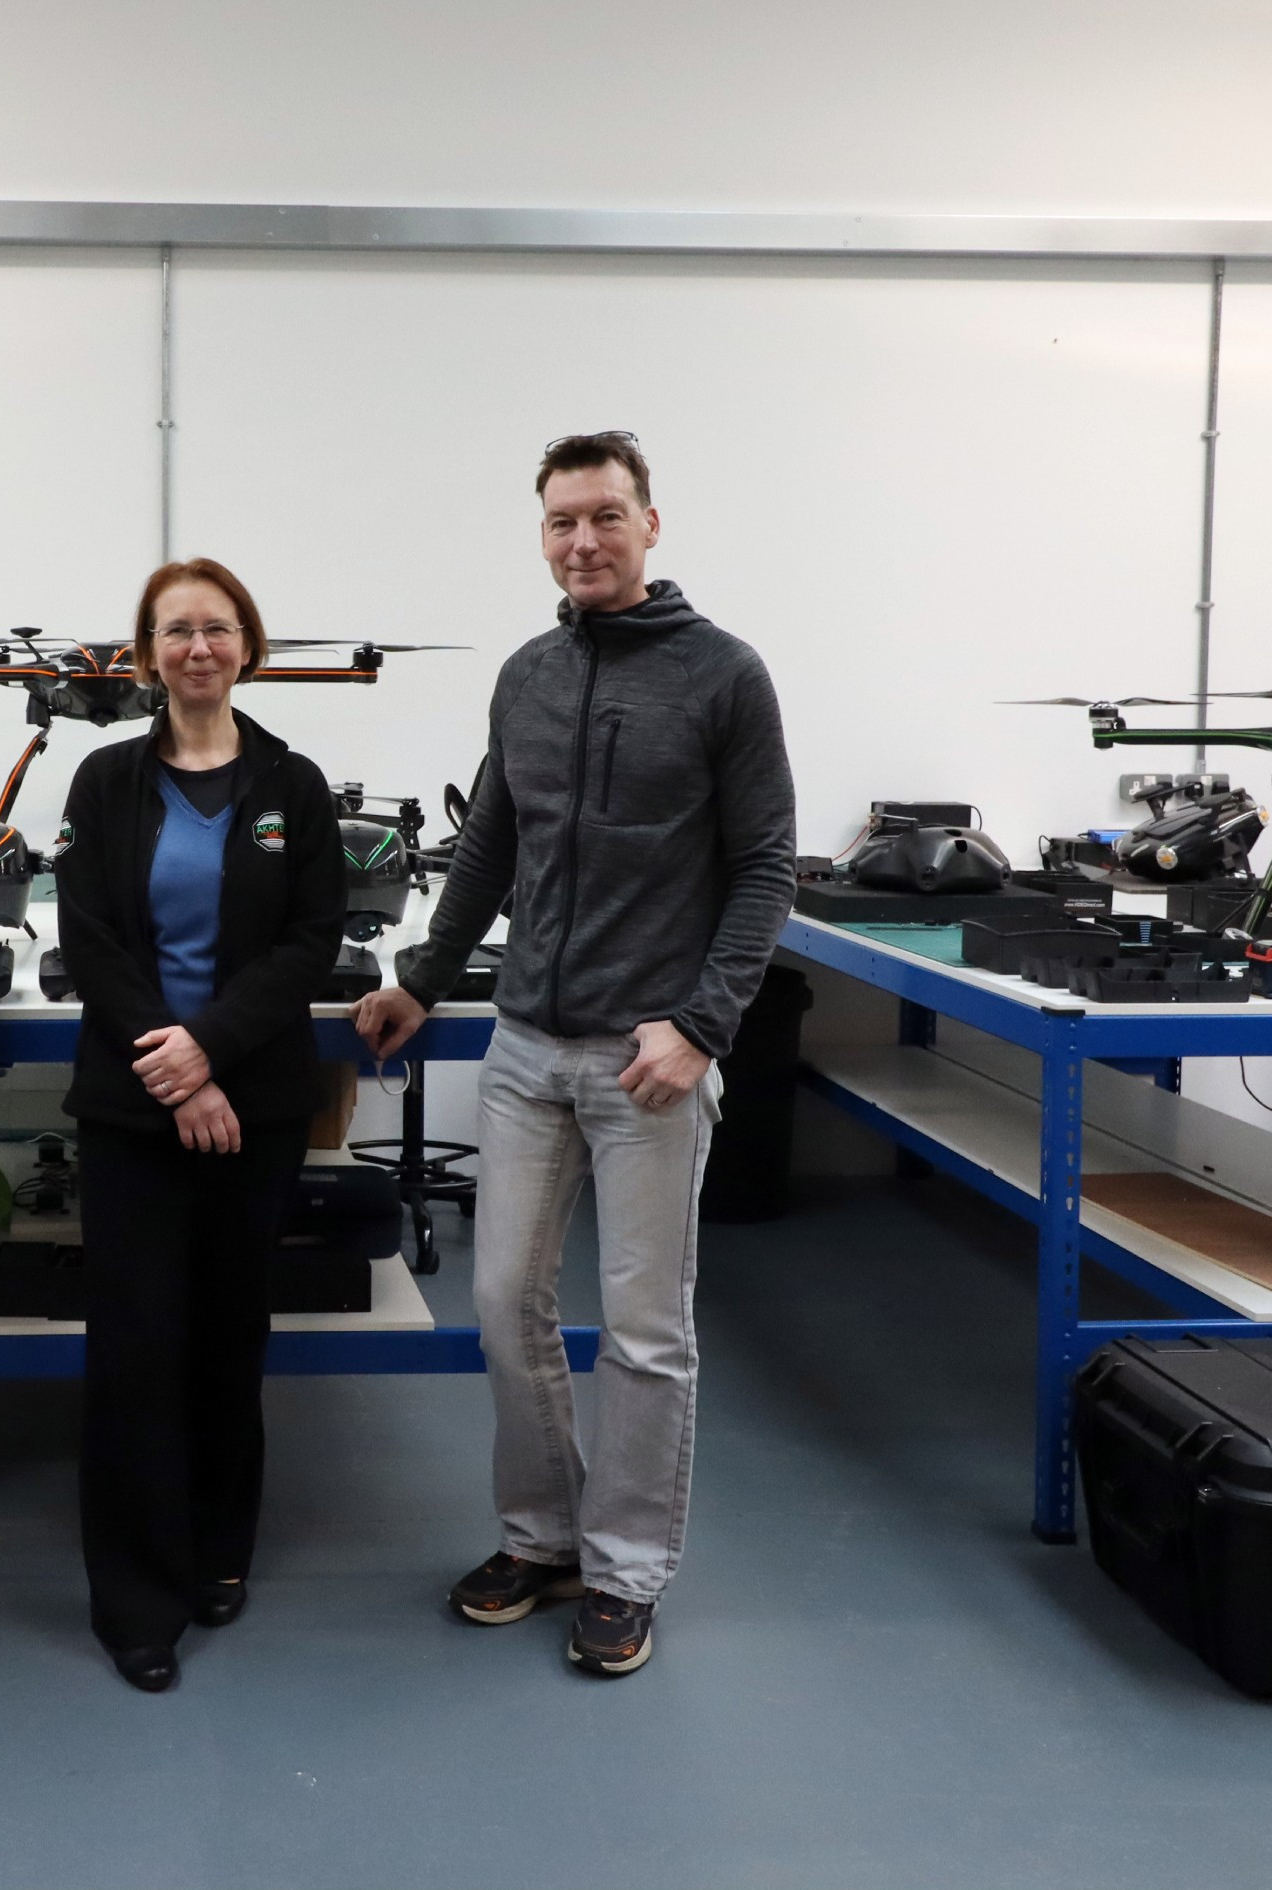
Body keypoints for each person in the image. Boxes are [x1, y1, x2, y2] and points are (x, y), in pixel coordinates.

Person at [356, 432, 794, 1677]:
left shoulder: (725, 676)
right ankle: (543, 1539)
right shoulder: (529, 675)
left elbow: (766, 866)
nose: (584, 540)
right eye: (562, 521)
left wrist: (702, 1025)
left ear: (651, 523)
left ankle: (626, 1570)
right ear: (542, 535)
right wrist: (422, 978)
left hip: (648, 1059)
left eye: (606, 515)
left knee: (646, 1331)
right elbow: (490, 845)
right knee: (505, 1304)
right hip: (526, 1049)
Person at [54, 558, 344, 1692]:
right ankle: (135, 1599)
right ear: (147, 655)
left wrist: (212, 1050)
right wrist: (177, 1071)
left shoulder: (294, 783)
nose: (198, 648)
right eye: (175, 631)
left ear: (247, 646)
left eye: (217, 629)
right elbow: (88, 940)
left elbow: (311, 942)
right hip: (135, 1109)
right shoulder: (105, 781)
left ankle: (220, 1548)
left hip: (253, 1108)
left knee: (229, 1336)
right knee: (134, 1348)